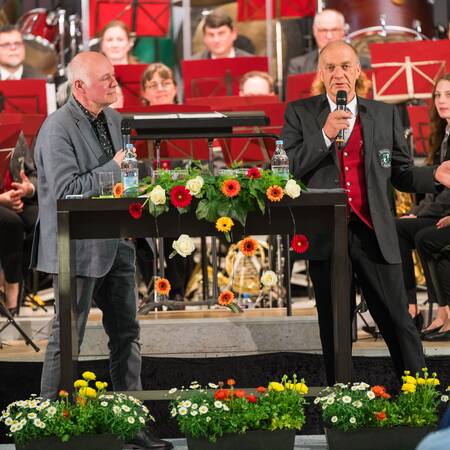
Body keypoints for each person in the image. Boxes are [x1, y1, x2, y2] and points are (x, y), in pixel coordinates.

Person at [282, 40, 450, 385]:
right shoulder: (299, 114)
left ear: (358, 71)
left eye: (345, 66)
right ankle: (340, 398)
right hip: (327, 236)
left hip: (374, 232)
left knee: (397, 320)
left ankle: (418, 393)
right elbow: (286, 171)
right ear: (320, 73)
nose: (339, 74)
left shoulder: (384, 114)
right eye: (330, 67)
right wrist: (326, 134)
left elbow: (402, 173)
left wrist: (433, 174)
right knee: (334, 324)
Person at [32, 51, 172, 449]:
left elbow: (125, 175)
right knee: (67, 338)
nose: (115, 84)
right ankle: (51, 423)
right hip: (74, 247)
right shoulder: (56, 129)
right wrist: (115, 167)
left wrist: (144, 180)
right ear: (79, 87)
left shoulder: (114, 120)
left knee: (127, 336)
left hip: (119, 243)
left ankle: (132, 424)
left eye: (114, 77)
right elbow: (63, 192)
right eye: (106, 79)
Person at [396, 74, 450, 338]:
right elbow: (437, 186)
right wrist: (416, 212)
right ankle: (410, 307)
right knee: (398, 228)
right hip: (442, 211)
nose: (441, 101)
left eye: (448, 95)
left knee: (425, 237)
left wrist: (423, 213)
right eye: (438, 95)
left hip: (447, 213)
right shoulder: (443, 133)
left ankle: (444, 312)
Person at [140, 63, 194, 301]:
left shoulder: (188, 119)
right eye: (153, 85)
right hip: (144, 190)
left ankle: (177, 289)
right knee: (138, 220)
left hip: (180, 191)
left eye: (166, 83)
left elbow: (196, 161)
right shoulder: (134, 121)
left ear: (175, 88)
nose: (160, 89)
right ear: (143, 92)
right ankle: (152, 285)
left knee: (176, 218)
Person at [0, 133, 38, 315]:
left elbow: (32, 174)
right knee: (12, 223)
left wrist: (28, 188)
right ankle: (12, 292)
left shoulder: (15, 134)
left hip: (18, 198)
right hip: (2, 202)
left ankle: (12, 277)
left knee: (44, 222)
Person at [287, 9, 369, 75]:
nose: (329, 36)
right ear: (314, 32)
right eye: (323, 30)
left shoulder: (363, 64)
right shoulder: (298, 66)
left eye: (334, 30)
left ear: (343, 32)